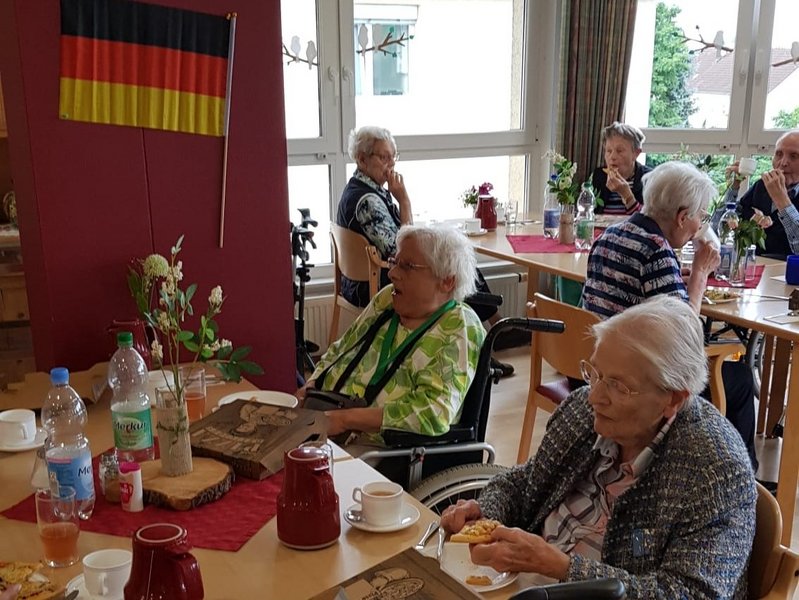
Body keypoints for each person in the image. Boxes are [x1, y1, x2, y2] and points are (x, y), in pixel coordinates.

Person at [441, 296, 756, 599]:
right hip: (519, 587)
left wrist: (560, 567)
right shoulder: (582, 411)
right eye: (595, 374)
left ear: (673, 398)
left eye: (618, 386)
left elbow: (688, 593)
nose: (594, 396)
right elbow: (526, 482)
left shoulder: (715, 469)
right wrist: (485, 512)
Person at [582, 161, 758, 470]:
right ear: (681, 217)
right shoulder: (657, 252)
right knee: (741, 379)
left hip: (600, 365)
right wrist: (700, 274)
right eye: (700, 217)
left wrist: (677, 274)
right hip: (639, 378)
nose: (699, 227)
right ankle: (741, 473)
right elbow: (682, 337)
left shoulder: (610, 235)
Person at [336, 125, 513, 376]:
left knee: (451, 264)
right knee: (447, 274)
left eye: (393, 157)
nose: (391, 164)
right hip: (375, 283)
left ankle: (490, 337)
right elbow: (401, 249)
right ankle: (486, 345)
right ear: (362, 159)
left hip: (363, 279)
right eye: (384, 157)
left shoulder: (361, 189)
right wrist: (404, 200)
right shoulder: (368, 201)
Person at [297, 225, 485, 445]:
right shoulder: (388, 299)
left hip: (374, 448)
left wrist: (346, 420)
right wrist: (311, 385)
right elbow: (341, 349)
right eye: (395, 262)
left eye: (407, 266)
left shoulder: (459, 326)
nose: (392, 273)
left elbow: (432, 413)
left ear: (447, 281)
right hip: (323, 420)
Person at [725, 130, 799, 259]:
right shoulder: (762, 186)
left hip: (786, 268)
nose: (783, 163)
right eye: (779, 154)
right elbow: (724, 226)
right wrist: (734, 186)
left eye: (794, 156)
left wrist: (782, 200)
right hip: (754, 263)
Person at [590, 122, 652, 215]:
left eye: (619, 151)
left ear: (636, 153)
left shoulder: (649, 179)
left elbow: (649, 220)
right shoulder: (599, 176)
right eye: (609, 151)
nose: (612, 157)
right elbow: (588, 213)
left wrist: (627, 195)